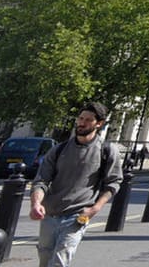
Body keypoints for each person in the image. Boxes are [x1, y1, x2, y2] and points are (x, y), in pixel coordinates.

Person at [29, 102, 123, 267]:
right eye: (80, 118)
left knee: (59, 262)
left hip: (77, 216)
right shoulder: (59, 150)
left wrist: (94, 209)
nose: (82, 123)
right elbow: (41, 180)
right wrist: (36, 203)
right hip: (50, 214)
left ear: (99, 124)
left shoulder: (106, 150)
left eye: (88, 120)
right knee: (44, 259)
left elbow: (113, 183)